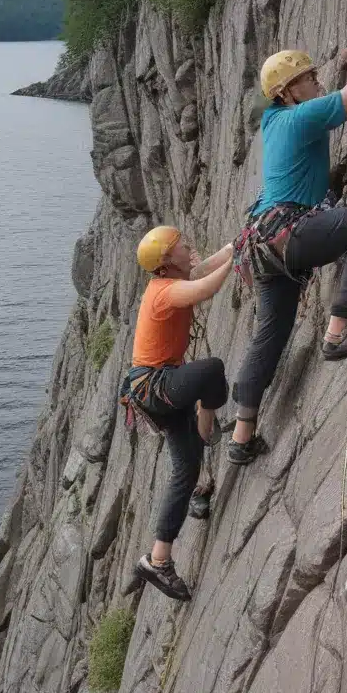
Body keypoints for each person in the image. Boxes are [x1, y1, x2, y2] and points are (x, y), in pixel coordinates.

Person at [228, 0, 347, 466]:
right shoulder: (298, 116)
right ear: (288, 91)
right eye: (309, 80)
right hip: (289, 231)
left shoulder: (274, 117)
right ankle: (339, 332)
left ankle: (242, 435)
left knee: (272, 332)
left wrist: (337, 62)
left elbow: (317, 90)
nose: (317, 82)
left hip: (261, 245)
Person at [124, 225, 233, 601]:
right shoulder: (165, 292)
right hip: (157, 386)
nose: (189, 246)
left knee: (185, 471)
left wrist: (238, 245)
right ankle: (207, 428)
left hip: (157, 389)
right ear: (168, 260)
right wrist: (237, 261)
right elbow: (206, 288)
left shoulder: (171, 282)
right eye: (182, 245)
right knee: (212, 369)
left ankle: (158, 559)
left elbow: (202, 272)